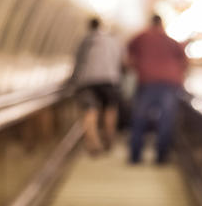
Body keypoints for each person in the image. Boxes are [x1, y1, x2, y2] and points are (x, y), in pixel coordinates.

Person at [126, 14, 188, 165]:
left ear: (150, 24)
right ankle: (161, 156)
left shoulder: (140, 37)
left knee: (139, 118)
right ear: (162, 25)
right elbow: (185, 62)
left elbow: (128, 57)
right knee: (166, 119)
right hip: (170, 83)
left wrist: (139, 68)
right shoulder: (172, 41)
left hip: (147, 82)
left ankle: (135, 156)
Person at [70, 17, 123, 155]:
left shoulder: (85, 41)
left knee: (90, 111)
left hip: (87, 81)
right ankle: (109, 139)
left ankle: (93, 144)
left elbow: (78, 62)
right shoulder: (112, 41)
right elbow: (120, 60)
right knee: (110, 109)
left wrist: (73, 81)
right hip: (110, 80)